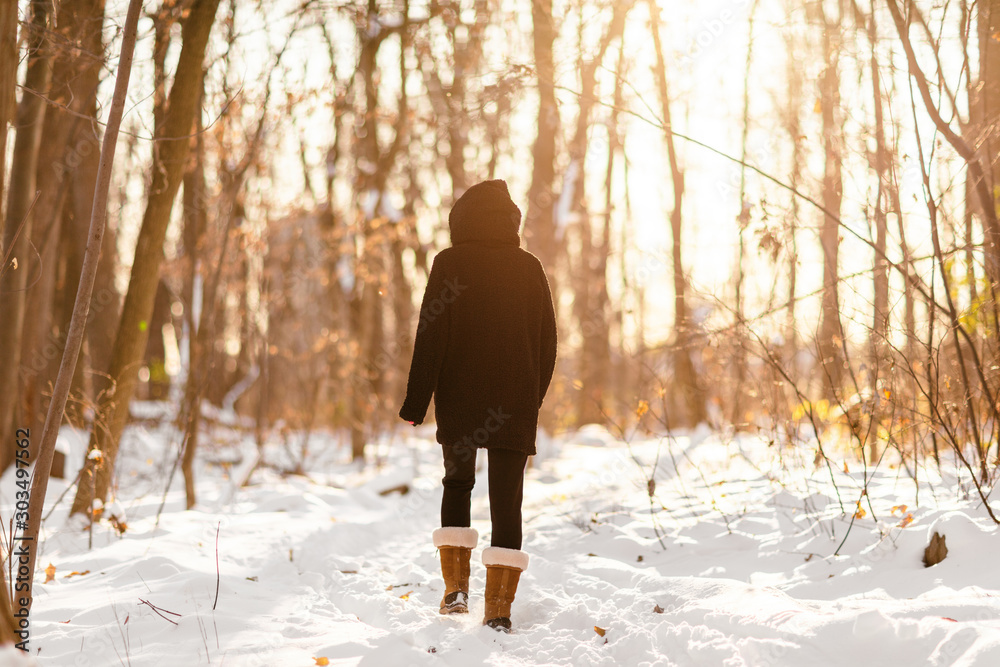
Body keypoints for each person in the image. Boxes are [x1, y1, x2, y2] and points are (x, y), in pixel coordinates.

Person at [399, 179, 557, 632]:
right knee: (508, 501)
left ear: (461, 220)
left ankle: (455, 592)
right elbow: (548, 345)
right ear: (510, 221)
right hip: (514, 401)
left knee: (457, 483)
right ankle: (499, 612)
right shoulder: (529, 268)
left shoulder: (449, 263)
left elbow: (430, 336)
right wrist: (532, 397)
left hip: (460, 398)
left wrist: (416, 402)